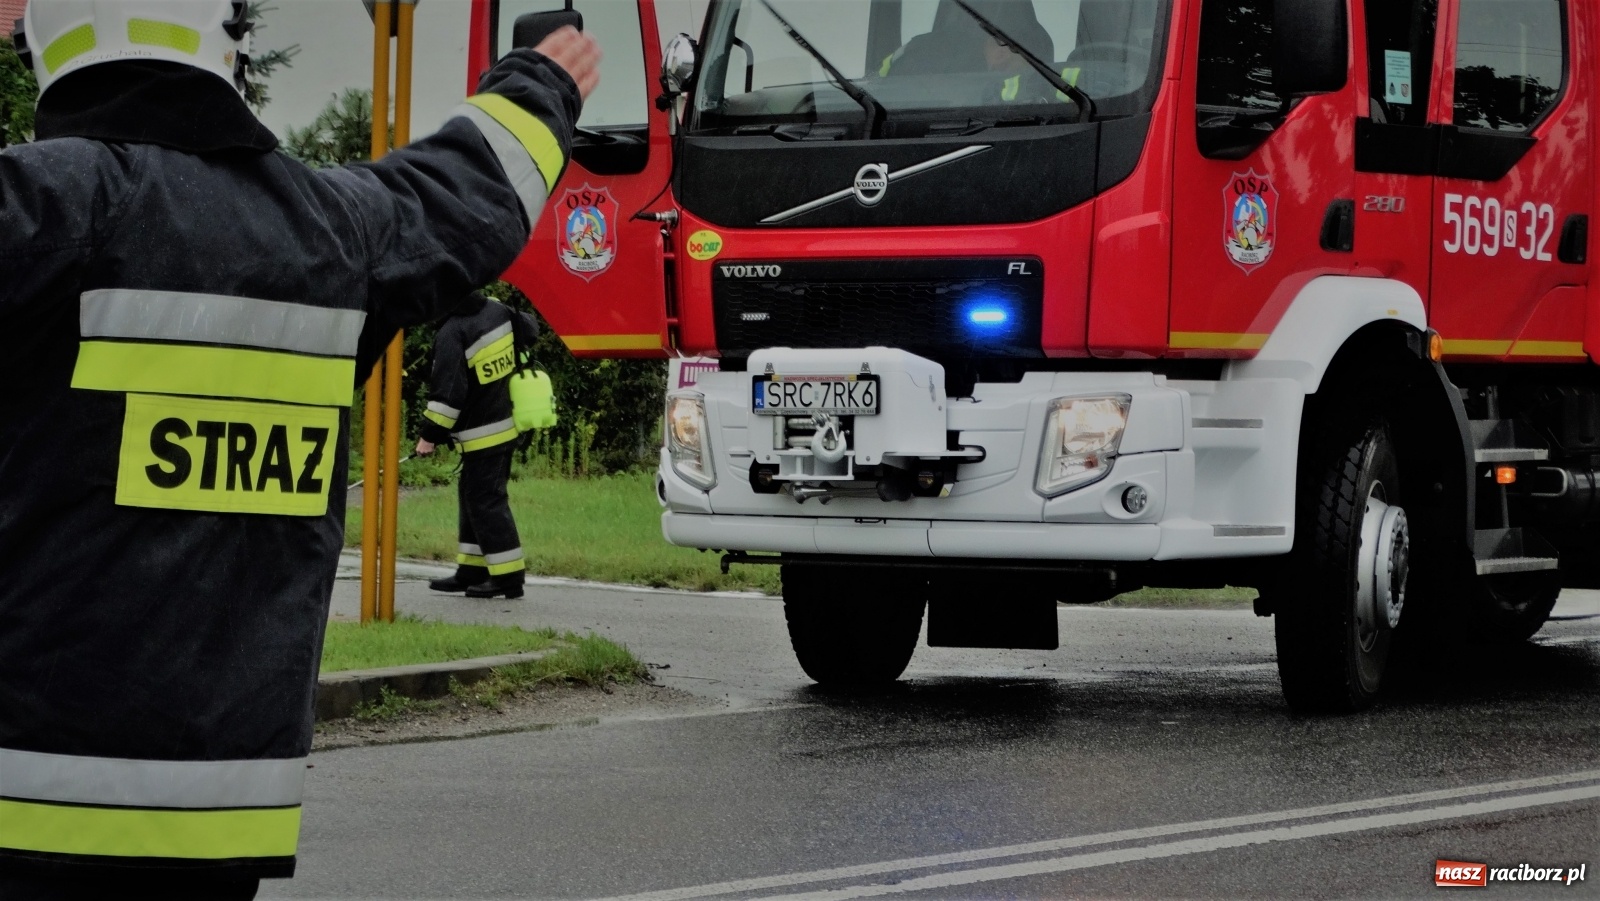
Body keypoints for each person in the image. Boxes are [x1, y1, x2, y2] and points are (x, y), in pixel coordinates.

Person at [0, 1, 599, 897]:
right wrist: (541, 81)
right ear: (222, 42)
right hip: (222, 815)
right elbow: (471, 185)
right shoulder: (337, 231)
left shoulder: (54, 205)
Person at [416, 291, 540, 599]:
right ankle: (472, 570)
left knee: (486, 502)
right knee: (474, 497)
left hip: (484, 434)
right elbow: (531, 330)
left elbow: (447, 394)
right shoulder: (496, 309)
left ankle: (508, 578)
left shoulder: (452, 333)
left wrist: (428, 437)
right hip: (505, 423)